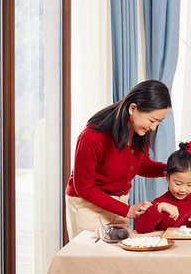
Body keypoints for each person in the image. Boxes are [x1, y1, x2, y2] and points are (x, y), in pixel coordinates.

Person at [65, 80, 171, 240]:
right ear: (133, 108)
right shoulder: (91, 137)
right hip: (88, 206)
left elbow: (141, 165)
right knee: (89, 260)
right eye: (152, 120)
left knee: (115, 261)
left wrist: (171, 170)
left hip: (120, 205)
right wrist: (125, 210)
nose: (154, 127)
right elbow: (83, 187)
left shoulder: (141, 131)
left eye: (158, 122)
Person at [134, 142, 191, 233]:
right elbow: (140, 228)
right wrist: (159, 208)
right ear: (167, 176)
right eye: (178, 183)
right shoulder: (159, 204)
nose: (183, 190)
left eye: (190, 184)